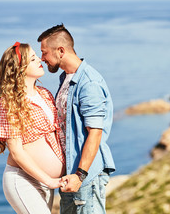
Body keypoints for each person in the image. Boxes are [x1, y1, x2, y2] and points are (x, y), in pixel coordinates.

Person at [38, 24, 115, 214]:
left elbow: (95, 133)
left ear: (61, 51)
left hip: (84, 177)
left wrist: (80, 175)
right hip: (70, 176)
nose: (42, 58)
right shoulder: (66, 78)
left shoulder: (89, 83)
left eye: (44, 52)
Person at [0, 42, 66, 214]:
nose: (39, 59)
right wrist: (50, 180)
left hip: (46, 183)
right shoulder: (10, 102)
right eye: (33, 59)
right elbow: (17, 152)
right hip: (23, 179)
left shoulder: (45, 94)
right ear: (19, 68)